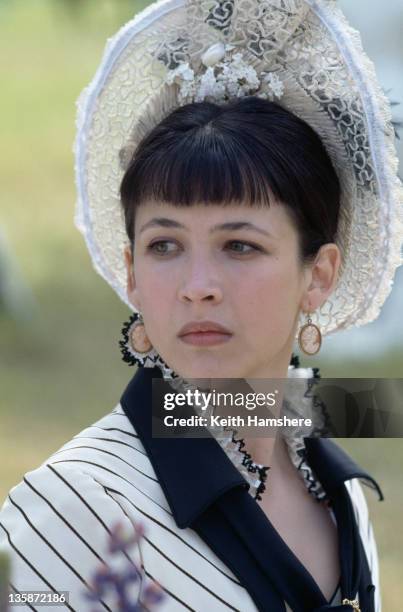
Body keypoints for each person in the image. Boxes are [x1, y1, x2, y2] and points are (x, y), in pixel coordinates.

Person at [1, 0, 402, 610]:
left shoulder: (333, 482)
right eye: (165, 245)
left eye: (239, 245)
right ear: (132, 273)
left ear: (317, 275)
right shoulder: (78, 507)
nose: (198, 285)